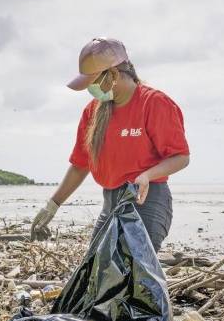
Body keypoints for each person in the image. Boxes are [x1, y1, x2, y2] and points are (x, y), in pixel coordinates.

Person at [31, 37, 190, 252]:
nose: (90, 89)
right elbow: (80, 165)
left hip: (146, 201)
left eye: (93, 82)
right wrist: (52, 205)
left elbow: (180, 156)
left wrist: (147, 175)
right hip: (111, 201)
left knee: (136, 273)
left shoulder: (154, 103)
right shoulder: (93, 111)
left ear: (113, 74)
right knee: (96, 268)